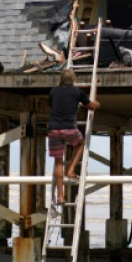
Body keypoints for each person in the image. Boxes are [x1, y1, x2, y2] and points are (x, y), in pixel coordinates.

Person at [47, 69, 100, 204]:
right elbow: (91, 106)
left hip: (53, 129)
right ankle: (70, 170)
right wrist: (97, 103)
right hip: (69, 129)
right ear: (73, 80)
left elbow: (54, 104)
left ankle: (60, 196)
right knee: (81, 143)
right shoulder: (77, 92)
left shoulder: (53, 91)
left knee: (58, 162)